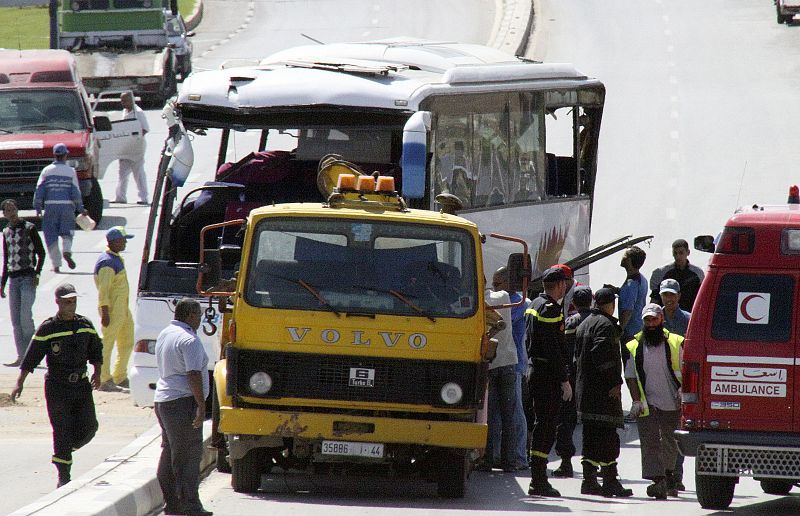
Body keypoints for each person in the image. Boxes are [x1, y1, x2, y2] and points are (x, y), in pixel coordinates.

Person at [10, 283, 103, 487]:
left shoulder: (85, 325)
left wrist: (98, 372)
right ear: (58, 302)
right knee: (61, 430)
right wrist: (19, 383)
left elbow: (96, 350)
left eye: (74, 302)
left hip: (81, 386)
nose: (71, 306)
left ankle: (65, 449)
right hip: (57, 387)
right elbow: (31, 357)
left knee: (90, 427)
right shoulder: (48, 329)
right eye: (67, 302)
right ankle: (63, 475)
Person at [154, 298, 212, 516]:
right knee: (188, 456)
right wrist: (201, 405)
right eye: (199, 315)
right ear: (190, 315)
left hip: (164, 401)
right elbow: (193, 374)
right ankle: (190, 505)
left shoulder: (166, 333)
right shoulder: (189, 340)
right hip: (182, 402)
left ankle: (173, 503)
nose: (200, 319)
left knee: (171, 451)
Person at [575, 287, 633, 497]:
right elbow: (601, 354)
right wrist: (614, 383)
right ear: (611, 305)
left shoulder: (585, 323)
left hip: (586, 393)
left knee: (590, 438)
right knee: (608, 438)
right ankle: (610, 481)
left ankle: (589, 481)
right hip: (603, 395)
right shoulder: (606, 325)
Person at [624, 303, 684, 499]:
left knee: (670, 441)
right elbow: (630, 376)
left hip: (672, 400)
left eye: (654, 319)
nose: (651, 324)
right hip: (647, 401)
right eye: (647, 320)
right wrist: (636, 400)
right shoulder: (635, 345)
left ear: (661, 320)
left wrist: (684, 389)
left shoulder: (675, 342)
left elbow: (688, 370)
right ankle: (658, 481)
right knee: (650, 441)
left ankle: (668, 476)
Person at [526, 266, 572, 497]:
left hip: (535, 370)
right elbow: (553, 348)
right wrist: (564, 379)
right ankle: (538, 480)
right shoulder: (550, 309)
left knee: (540, 424)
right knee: (546, 427)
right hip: (547, 375)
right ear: (560, 285)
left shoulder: (534, 304)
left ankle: (538, 477)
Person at [477, 271, 517, 472]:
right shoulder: (504, 296)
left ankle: (488, 459)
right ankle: (509, 461)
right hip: (508, 362)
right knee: (508, 415)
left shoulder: (475, 303)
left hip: (490, 366)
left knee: (490, 416)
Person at [551, 285, 592, 478]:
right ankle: (594, 464)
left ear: (573, 303)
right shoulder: (596, 321)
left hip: (572, 378)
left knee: (566, 420)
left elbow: (562, 350)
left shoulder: (570, 322)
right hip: (591, 379)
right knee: (592, 421)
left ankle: (566, 462)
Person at [1, 199, 46, 366]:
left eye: (13, 209)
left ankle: (32, 356)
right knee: (16, 321)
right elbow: (7, 259)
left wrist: (37, 272)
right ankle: (22, 356)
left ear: (17, 210)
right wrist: (3, 283)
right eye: (8, 210)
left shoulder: (29, 228)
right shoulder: (6, 232)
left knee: (25, 318)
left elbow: (41, 253)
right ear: (4, 214)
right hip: (13, 279)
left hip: (27, 278)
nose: (11, 213)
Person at [33, 143, 87, 273]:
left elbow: (39, 190)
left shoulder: (46, 171)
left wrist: (38, 208)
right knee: (67, 232)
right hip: (67, 207)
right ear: (65, 155)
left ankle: (56, 265)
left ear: (54, 155)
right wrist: (81, 208)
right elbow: (75, 192)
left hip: (50, 207)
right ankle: (67, 250)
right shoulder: (71, 171)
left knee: (50, 236)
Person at [659, 278, 691, 491]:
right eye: (665, 295)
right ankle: (664, 474)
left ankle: (676, 475)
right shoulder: (655, 317)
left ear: (679, 296)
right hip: (660, 381)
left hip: (680, 382)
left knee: (678, 431)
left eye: (672, 294)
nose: (668, 299)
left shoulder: (688, 319)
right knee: (662, 433)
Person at [94, 226, 135, 392]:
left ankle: (120, 375)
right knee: (107, 343)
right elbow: (103, 291)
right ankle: (104, 379)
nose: (125, 243)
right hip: (111, 310)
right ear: (113, 242)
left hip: (122, 308)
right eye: (123, 240)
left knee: (127, 340)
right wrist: (105, 312)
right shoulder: (107, 263)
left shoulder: (115, 258)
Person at [113, 91, 150, 205]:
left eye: (125, 101)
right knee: (122, 173)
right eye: (122, 101)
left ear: (131, 100)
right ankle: (120, 197)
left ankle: (143, 198)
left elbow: (145, 128)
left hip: (136, 147)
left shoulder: (138, 113)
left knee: (138, 173)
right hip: (125, 148)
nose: (123, 103)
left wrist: (135, 139)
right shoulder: (125, 111)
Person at [649, 239, 705, 311]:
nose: (677, 256)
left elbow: (702, 298)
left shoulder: (698, 273)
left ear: (688, 252)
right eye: (675, 253)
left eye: (681, 253)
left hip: (690, 314)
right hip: (666, 316)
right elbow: (654, 299)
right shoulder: (661, 273)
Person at [617, 246, 648, 356]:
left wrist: (619, 331)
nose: (623, 257)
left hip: (630, 333)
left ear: (630, 260)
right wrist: (617, 290)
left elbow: (628, 311)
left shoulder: (631, 284)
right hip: (639, 329)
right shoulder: (641, 279)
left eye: (625, 256)